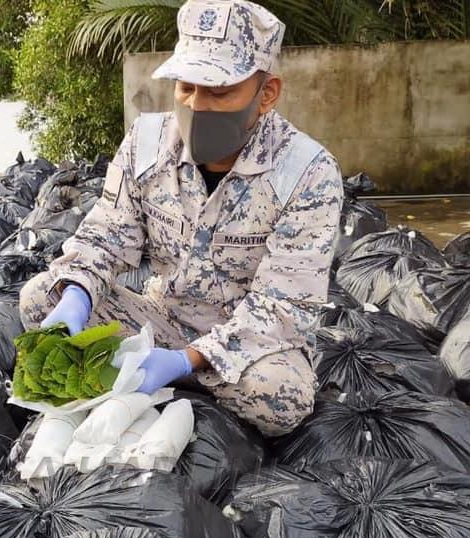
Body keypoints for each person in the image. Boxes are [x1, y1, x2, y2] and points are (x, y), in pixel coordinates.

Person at [19, 0, 343, 436]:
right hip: (159, 318)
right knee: (42, 300)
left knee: (280, 398)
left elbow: (283, 306)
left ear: (266, 94)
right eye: (186, 87)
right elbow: (104, 237)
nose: (197, 104)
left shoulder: (307, 172)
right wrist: (76, 293)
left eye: (219, 91)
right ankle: (170, 382)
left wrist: (186, 360)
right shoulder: (146, 141)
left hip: (247, 344)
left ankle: (170, 381)